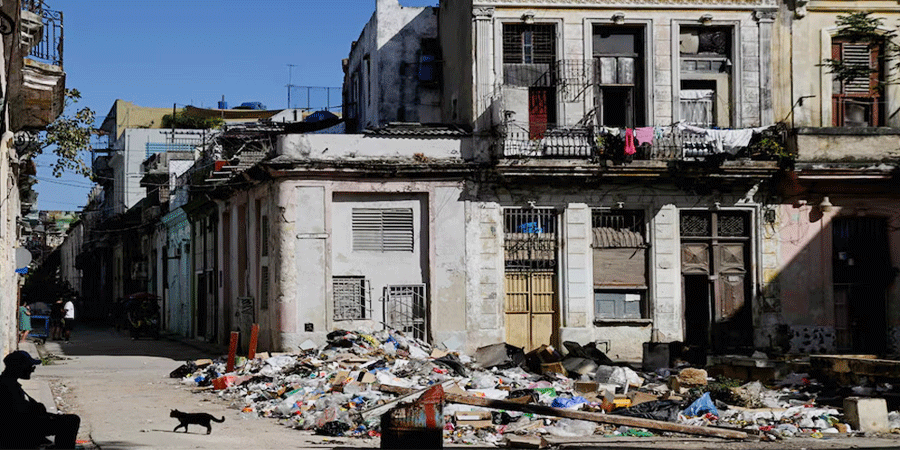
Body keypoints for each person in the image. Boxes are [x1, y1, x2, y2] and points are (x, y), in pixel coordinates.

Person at [0, 350, 80, 449]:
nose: (32, 370)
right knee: (71, 421)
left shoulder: (10, 383)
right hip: (19, 430)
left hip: (21, 426)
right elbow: (19, 413)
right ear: (20, 367)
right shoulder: (8, 386)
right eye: (31, 367)